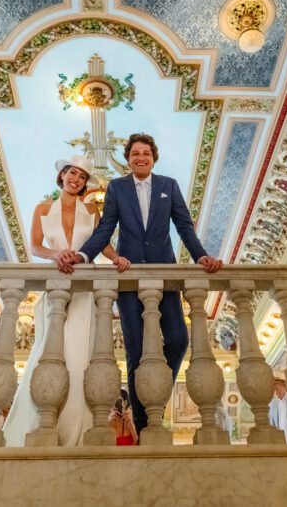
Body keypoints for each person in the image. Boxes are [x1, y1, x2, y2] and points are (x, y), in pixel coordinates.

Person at [64, 134, 223, 437]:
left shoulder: (169, 186)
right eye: (135, 153)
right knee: (135, 348)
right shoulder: (117, 188)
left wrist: (202, 256)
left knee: (178, 339)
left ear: (153, 158)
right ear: (128, 158)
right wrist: (83, 255)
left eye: (146, 153)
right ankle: (141, 420)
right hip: (129, 278)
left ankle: (157, 395)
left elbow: (184, 226)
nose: (140, 157)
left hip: (165, 272)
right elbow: (106, 228)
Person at [4, 155, 128, 447]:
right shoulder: (43, 208)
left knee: (79, 353)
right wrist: (55, 254)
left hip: (85, 288)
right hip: (57, 284)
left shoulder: (91, 209)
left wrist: (117, 258)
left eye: (82, 176)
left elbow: (102, 242)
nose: (76, 179)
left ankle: (77, 429)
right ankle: (43, 422)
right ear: (61, 175)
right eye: (72, 173)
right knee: (51, 351)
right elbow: (35, 245)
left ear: (85, 183)